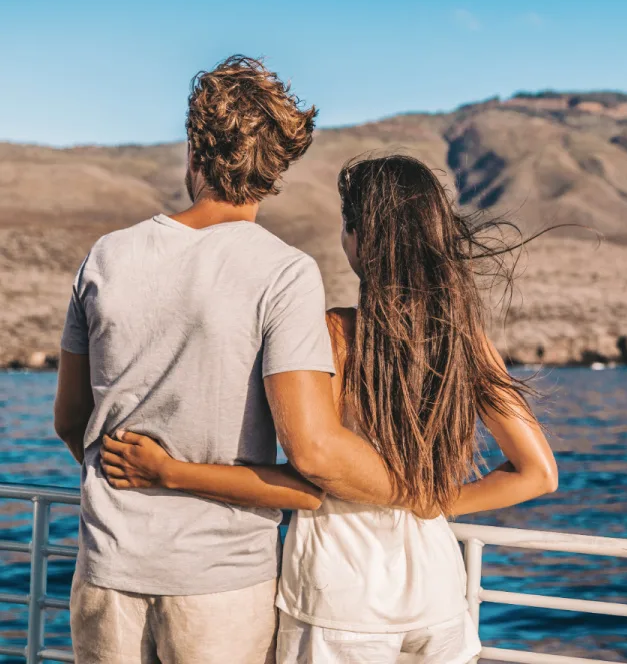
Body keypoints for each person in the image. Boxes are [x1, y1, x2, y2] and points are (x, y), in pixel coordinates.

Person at [100, 154, 559, 663]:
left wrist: (170, 472)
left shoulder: (331, 334)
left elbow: (310, 480)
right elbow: (537, 474)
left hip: (338, 604)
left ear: (359, 236)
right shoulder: (465, 343)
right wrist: (432, 500)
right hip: (438, 601)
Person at [54, 58, 408, 664]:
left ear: (194, 148)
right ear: (277, 171)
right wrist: (412, 491)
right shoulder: (285, 273)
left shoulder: (106, 256)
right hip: (222, 583)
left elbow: (70, 420)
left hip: (108, 568)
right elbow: (313, 452)